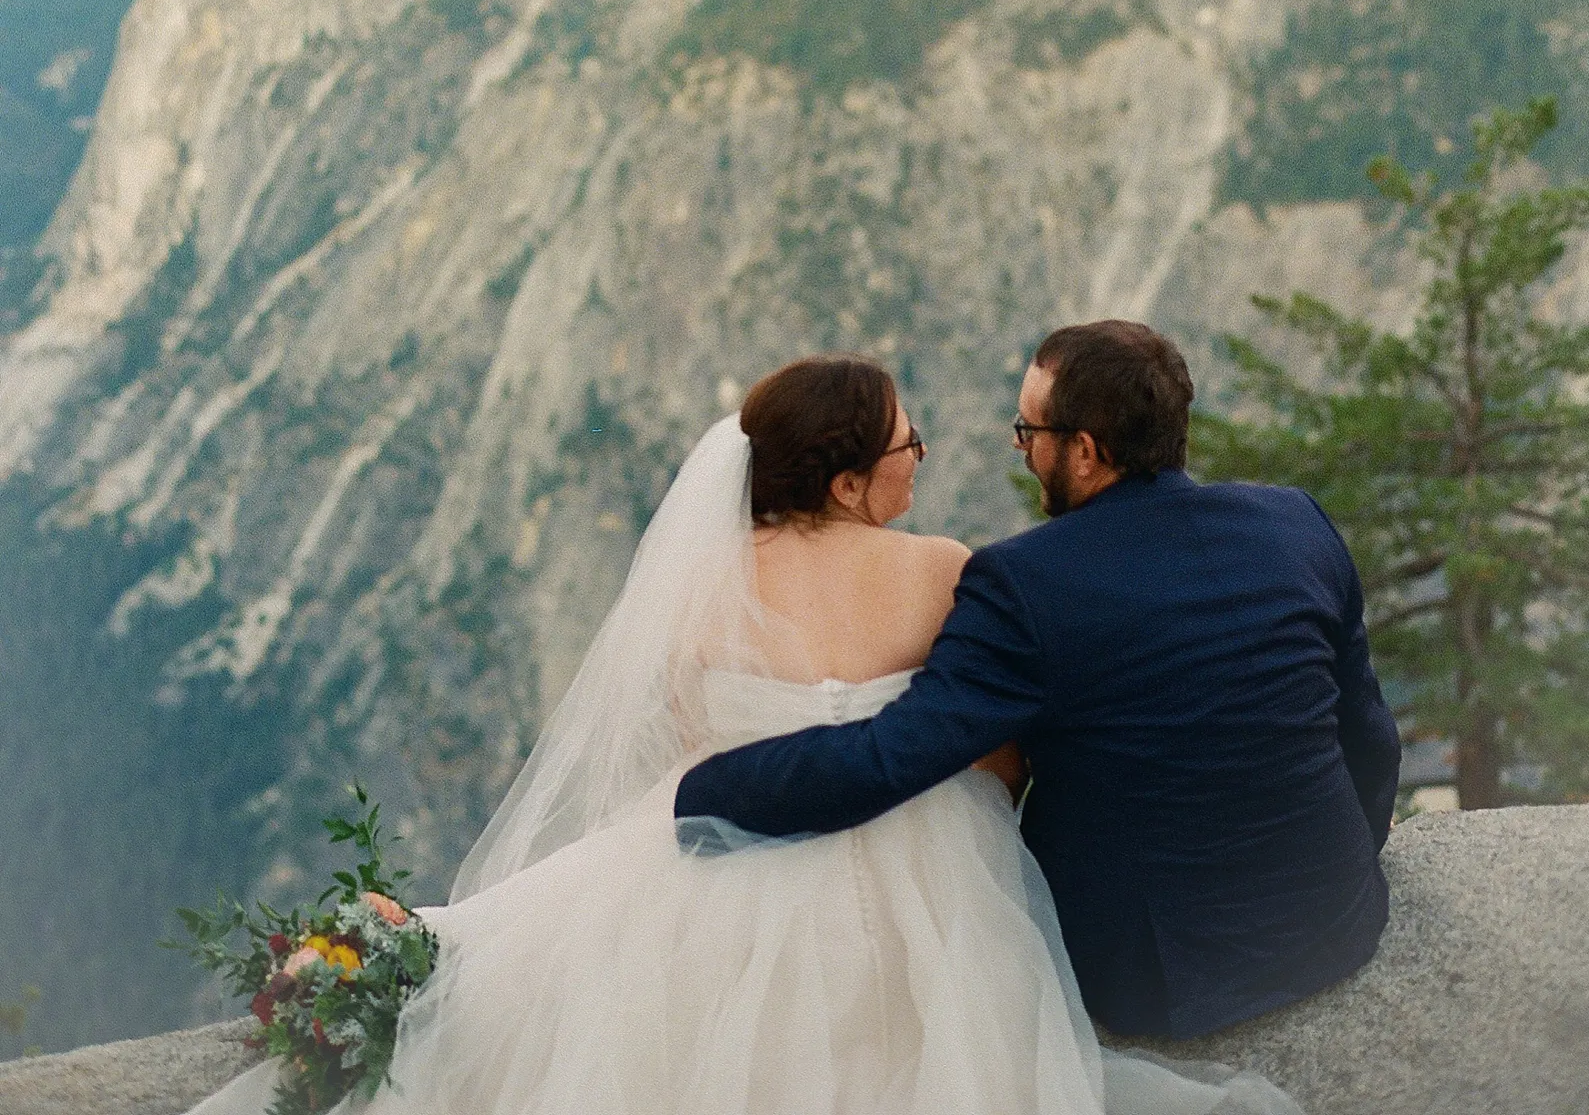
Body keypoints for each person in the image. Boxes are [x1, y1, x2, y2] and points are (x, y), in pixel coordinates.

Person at [187, 351, 1300, 1114]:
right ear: (855, 480)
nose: (927, 455)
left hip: (724, 842)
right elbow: (1000, 756)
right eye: (911, 442)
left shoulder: (700, 595)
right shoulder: (944, 571)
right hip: (928, 871)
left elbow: (685, 744)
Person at [677, 323, 1402, 1043]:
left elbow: (888, 758)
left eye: (1030, 432)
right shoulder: (1295, 522)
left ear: (1084, 452)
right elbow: (1370, 737)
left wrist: (705, 795)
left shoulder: (1024, 582)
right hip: (1338, 920)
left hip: (1163, 980)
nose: (1022, 450)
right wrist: (1340, 871)